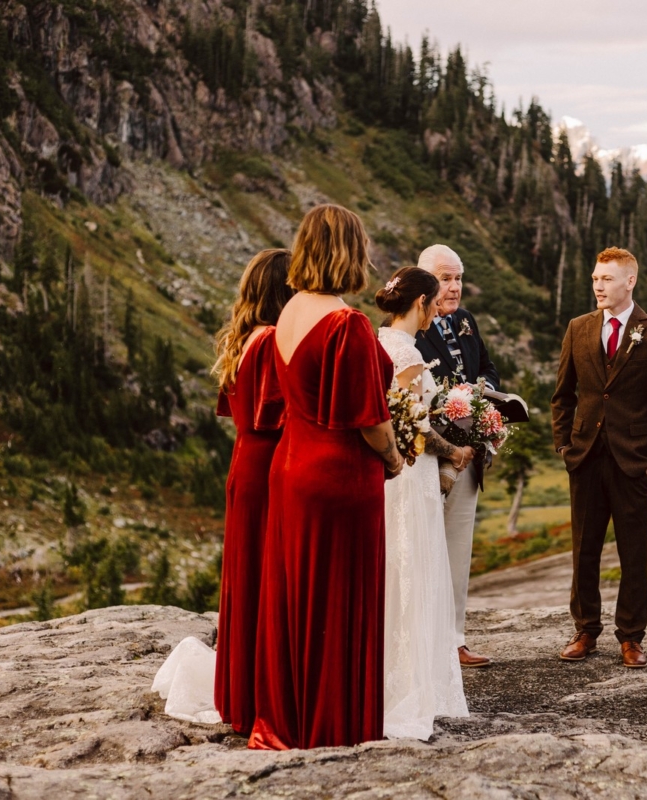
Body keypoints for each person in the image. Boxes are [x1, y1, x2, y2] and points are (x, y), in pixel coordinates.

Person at [248, 205, 404, 751]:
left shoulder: (289, 311)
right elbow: (371, 421)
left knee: (296, 598)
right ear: (350, 251)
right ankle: (334, 725)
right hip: (340, 476)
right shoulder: (347, 324)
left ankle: (287, 719)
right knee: (339, 601)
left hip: (291, 467)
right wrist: (394, 458)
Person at [550, 247, 647, 668]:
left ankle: (631, 637)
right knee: (584, 551)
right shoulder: (578, 328)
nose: (598, 286)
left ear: (630, 281)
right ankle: (586, 630)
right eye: (595, 278)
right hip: (585, 457)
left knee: (633, 555)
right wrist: (564, 446)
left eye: (606, 279)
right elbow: (562, 395)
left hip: (634, 462)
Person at [375, 266, 471, 740]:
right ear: (419, 304)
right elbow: (414, 426)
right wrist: (455, 451)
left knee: (394, 568)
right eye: (434, 303)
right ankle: (411, 682)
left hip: (389, 475)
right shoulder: (408, 353)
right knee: (414, 566)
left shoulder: (378, 340)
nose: (437, 310)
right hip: (412, 476)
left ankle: (386, 669)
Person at [210, 248, 294, 736]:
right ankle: (257, 697)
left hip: (246, 460)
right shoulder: (269, 342)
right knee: (263, 577)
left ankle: (242, 691)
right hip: (265, 465)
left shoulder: (245, 338)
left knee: (249, 576)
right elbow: (277, 415)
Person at [413, 244, 501, 669]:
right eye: (444, 279)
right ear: (424, 282)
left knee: (457, 550)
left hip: (470, 455)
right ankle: (420, 640)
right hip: (426, 457)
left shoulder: (465, 320)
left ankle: (455, 640)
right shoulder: (408, 326)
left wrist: (481, 394)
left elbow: (487, 366)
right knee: (421, 549)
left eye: (458, 278)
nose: (454, 287)